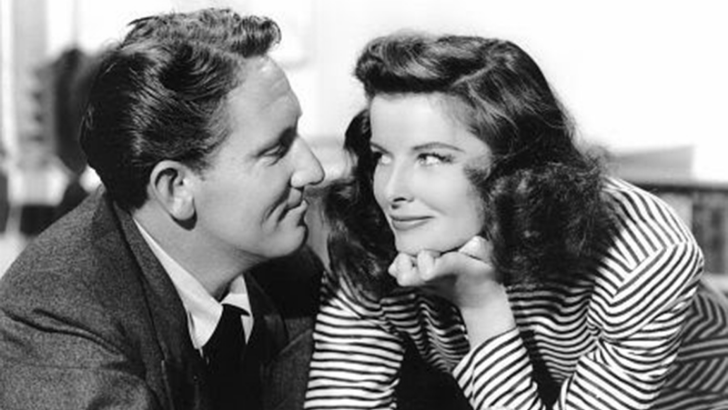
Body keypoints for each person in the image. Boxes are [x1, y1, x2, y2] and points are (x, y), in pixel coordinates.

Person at [304, 32, 728, 409]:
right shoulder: (369, 232)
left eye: (432, 157)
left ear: (517, 166)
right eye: (382, 156)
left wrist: (481, 306)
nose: (392, 190)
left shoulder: (644, 257)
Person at [0, 8, 325, 410]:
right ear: (176, 187)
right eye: (275, 150)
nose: (313, 170)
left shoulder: (291, 270)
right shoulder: (54, 319)